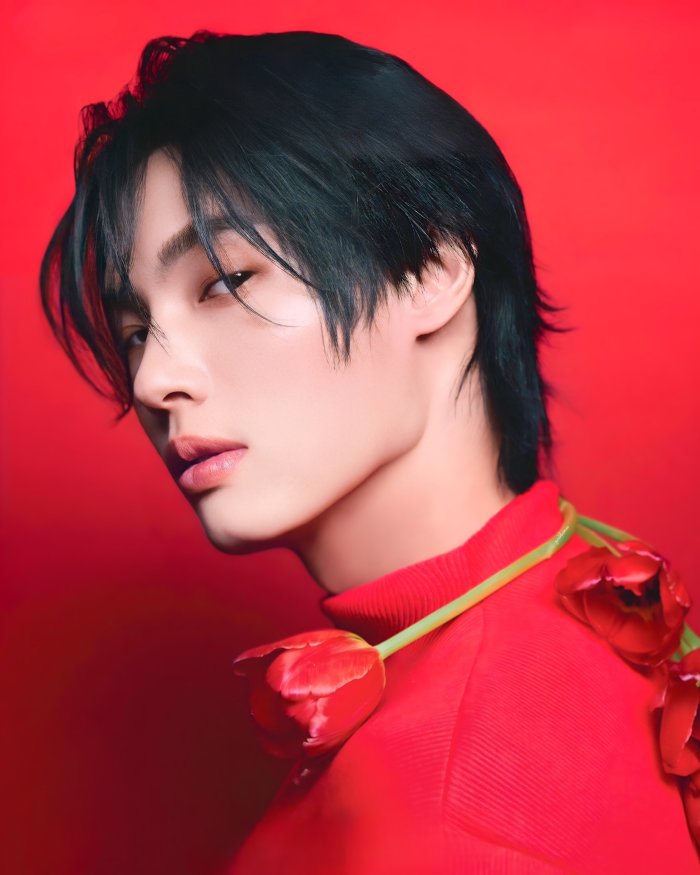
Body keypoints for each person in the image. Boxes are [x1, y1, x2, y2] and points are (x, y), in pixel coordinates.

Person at [39, 29, 699, 874]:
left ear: (429, 270)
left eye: (227, 281)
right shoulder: (579, 598)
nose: (152, 380)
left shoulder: (454, 805)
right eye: (136, 330)